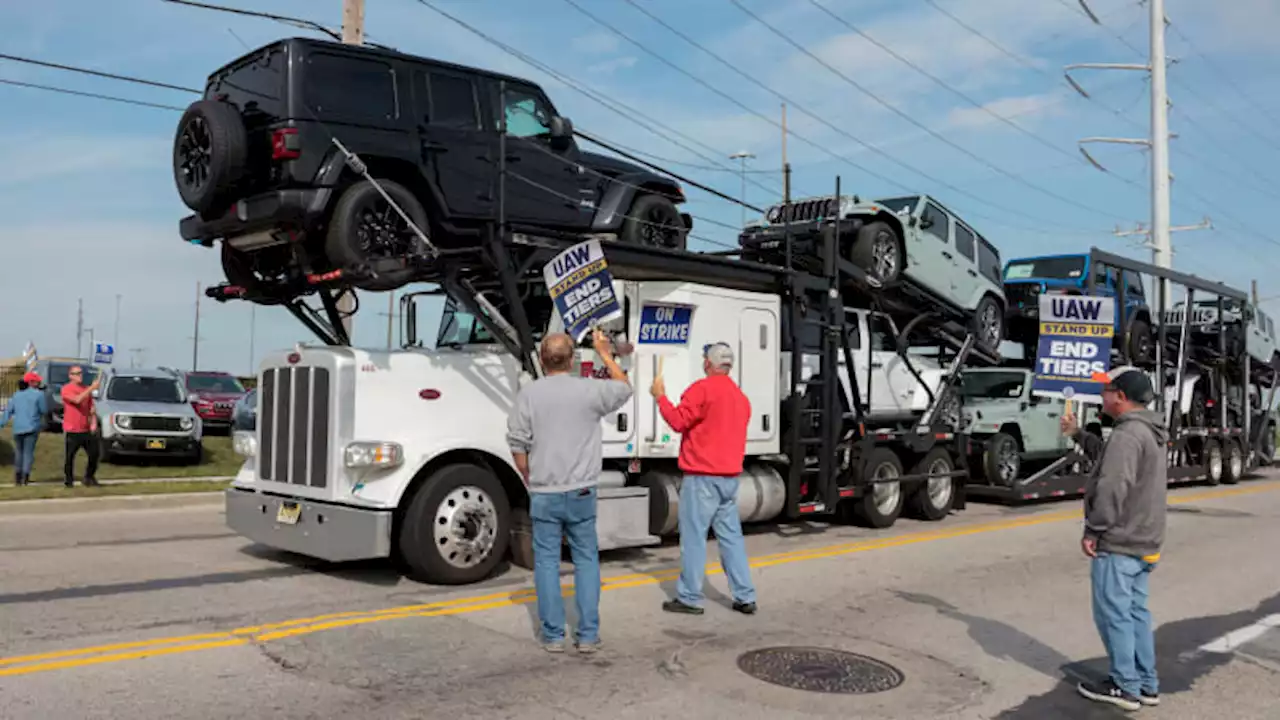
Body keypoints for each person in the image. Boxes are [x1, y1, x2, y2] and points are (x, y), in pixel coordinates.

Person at [506, 329, 632, 654]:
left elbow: (517, 442)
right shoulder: (588, 391)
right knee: (586, 559)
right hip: (580, 492)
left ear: (543, 361)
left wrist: (527, 474)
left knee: (546, 562)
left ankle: (553, 636)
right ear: (572, 359)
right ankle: (587, 635)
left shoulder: (529, 395)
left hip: (545, 490)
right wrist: (605, 353)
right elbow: (624, 387)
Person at [1060, 366, 1167, 712]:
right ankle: (1146, 683)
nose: (1101, 396)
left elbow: (1112, 486)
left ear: (1120, 396)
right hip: (1143, 540)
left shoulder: (1127, 436)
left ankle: (1125, 685)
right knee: (1135, 613)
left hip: (1120, 540)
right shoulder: (1144, 431)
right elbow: (1108, 461)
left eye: (1105, 390)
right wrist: (1077, 433)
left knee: (1114, 615)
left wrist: (1094, 529)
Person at [651, 342, 757, 616]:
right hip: (730, 478)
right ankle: (745, 595)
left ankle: (689, 597)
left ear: (708, 363)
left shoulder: (702, 389)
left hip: (701, 477)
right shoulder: (741, 398)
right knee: (731, 538)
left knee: (694, 539)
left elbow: (677, 421)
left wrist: (660, 397)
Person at [1, 373, 48, 486]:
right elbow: (44, 410)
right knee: (28, 453)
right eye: (37, 381)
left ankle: (18, 477)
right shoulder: (39, 394)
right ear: (31, 382)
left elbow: (8, 411)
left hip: (18, 428)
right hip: (32, 427)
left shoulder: (16, 395)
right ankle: (25, 477)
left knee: (19, 452)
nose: (39, 383)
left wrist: (1, 423)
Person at [60, 365, 102, 488]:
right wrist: (91, 388)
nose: (80, 376)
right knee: (70, 456)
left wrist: (93, 422)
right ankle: (69, 480)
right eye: (76, 373)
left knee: (95, 453)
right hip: (72, 429)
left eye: (81, 373)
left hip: (85, 428)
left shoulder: (85, 389)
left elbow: (91, 408)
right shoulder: (66, 389)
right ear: (70, 376)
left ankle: (89, 477)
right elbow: (77, 400)